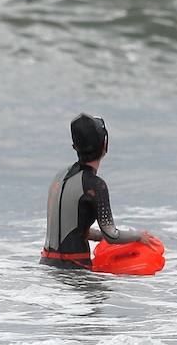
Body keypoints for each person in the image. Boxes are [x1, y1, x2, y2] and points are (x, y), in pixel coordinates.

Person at [42, 113, 154, 270]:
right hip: (75, 269)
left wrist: (101, 236)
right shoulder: (95, 186)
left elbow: (75, 229)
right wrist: (138, 236)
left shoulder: (59, 176)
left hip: (46, 267)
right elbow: (112, 235)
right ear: (105, 145)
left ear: (74, 147)